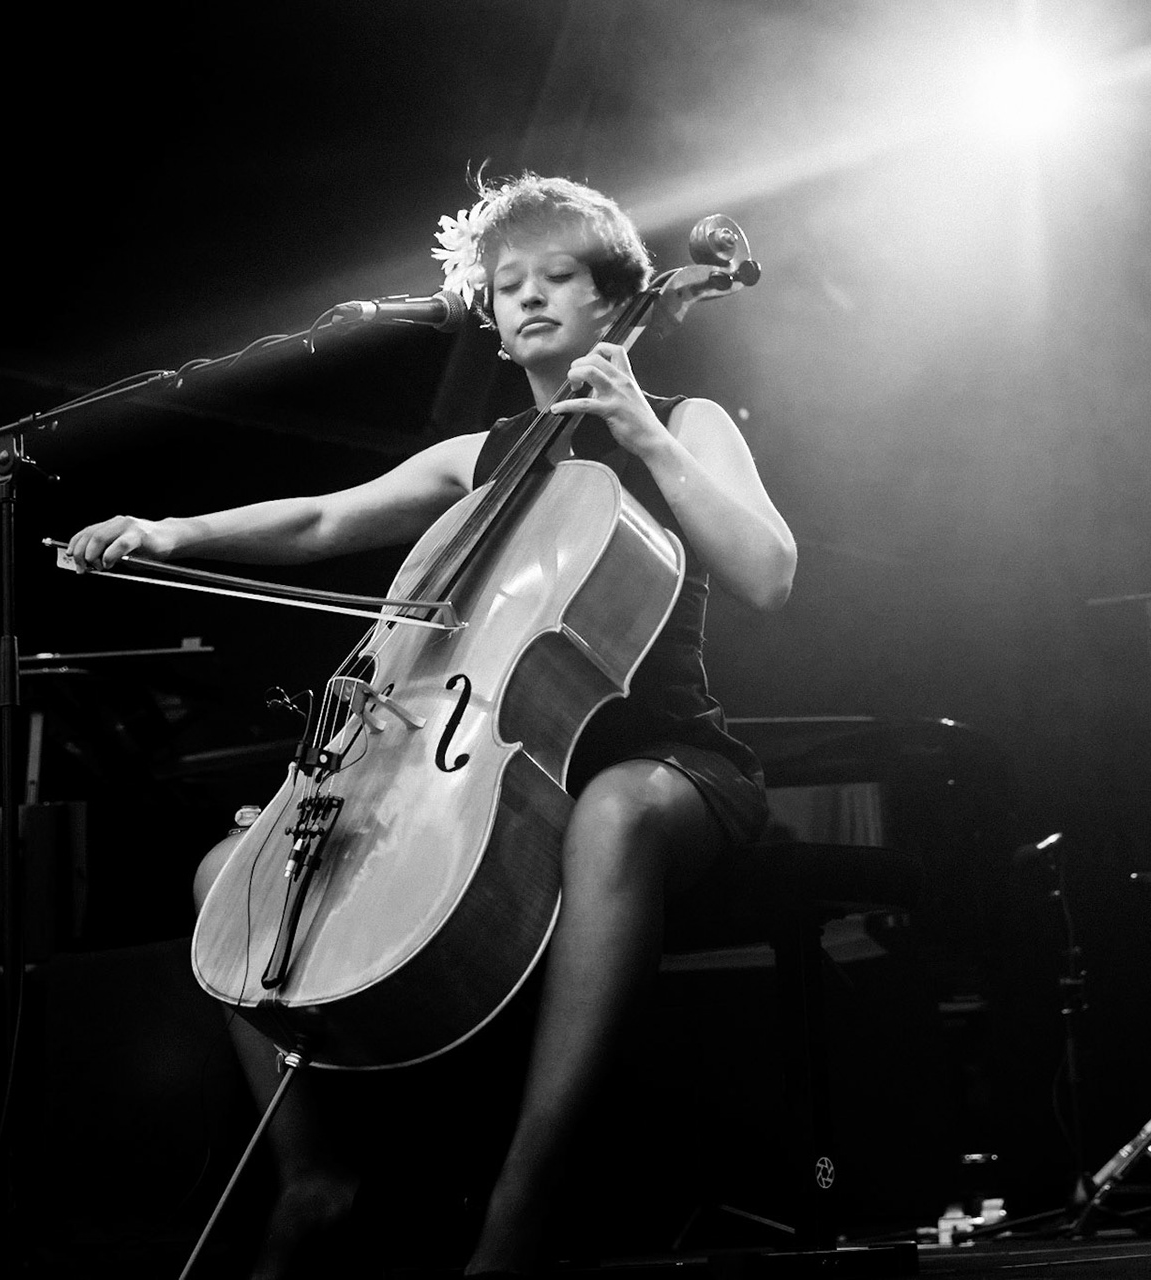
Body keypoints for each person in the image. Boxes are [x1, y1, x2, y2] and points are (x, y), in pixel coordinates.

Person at [67, 172, 797, 1276]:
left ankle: (526, 1194)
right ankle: (317, 1177)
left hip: (662, 760)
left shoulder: (684, 423)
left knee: (610, 812)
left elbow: (769, 572)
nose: (533, 297)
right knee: (231, 872)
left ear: (616, 301)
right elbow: (323, 517)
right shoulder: (483, 455)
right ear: (494, 321)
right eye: (511, 285)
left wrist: (645, 434)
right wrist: (170, 531)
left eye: (561, 276)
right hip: (491, 762)